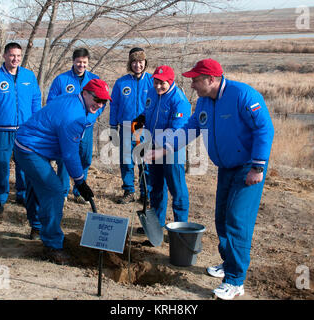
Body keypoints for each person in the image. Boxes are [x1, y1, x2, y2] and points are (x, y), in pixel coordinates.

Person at [145, 59, 274, 300]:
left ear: (211, 79)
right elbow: (190, 129)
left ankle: (235, 281)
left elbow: (264, 129)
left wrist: (258, 166)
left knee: (237, 221)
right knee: (222, 219)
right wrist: (163, 149)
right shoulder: (204, 101)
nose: (192, 84)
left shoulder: (242, 95)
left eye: (195, 79)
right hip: (226, 168)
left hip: (247, 168)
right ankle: (228, 263)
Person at [13, 79, 112, 264]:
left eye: (104, 102)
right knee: (54, 190)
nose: (99, 105)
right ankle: (52, 245)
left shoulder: (75, 100)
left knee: (41, 185)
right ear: (85, 93)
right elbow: (70, 154)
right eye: (97, 99)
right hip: (30, 149)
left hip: (32, 145)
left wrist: (79, 180)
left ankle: (38, 227)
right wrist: (80, 181)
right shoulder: (73, 116)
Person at [0, 42, 42, 214]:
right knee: (1, 165)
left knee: (24, 165)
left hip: (25, 130)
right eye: (12, 55)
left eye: (18, 56)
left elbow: (36, 100)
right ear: (5, 55)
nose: (15, 59)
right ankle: (0, 198)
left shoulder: (29, 77)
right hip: (1, 130)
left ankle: (21, 194)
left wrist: (36, 124)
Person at [133, 65, 191, 229]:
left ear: (170, 81)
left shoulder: (179, 100)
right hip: (154, 146)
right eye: (156, 82)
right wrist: (142, 118)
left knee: (177, 189)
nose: (158, 86)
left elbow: (176, 129)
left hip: (172, 149)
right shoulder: (152, 92)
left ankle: (181, 229)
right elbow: (149, 111)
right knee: (156, 187)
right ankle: (156, 225)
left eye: (162, 83)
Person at [47, 48, 102, 203]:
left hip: (87, 126)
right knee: (65, 158)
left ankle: (79, 190)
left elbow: (101, 103)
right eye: (79, 62)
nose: (81, 65)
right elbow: (52, 101)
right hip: (67, 128)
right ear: (73, 61)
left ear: (88, 62)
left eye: (84, 62)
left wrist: (93, 115)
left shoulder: (94, 79)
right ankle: (63, 191)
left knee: (84, 158)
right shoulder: (61, 80)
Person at [109, 47, 153, 204]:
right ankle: (128, 191)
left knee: (144, 161)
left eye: (140, 62)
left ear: (145, 62)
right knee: (126, 160)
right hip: (126, 127)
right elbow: (114, 106)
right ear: (130, 63)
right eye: (134, 62)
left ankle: (146, 192)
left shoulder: (152, 81)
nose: (137, 65)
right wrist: (113, 126)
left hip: (144, 129)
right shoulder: (122, 83)